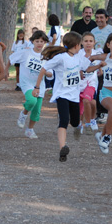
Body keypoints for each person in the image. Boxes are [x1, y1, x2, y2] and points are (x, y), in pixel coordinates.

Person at [33, 32, 90, 162]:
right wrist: (37, 87)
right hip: (62, 94)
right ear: (76, 45)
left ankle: (78, 126)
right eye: (80, 45)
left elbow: (89, 67)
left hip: (74, 96)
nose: (81, 47)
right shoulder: (61, 58)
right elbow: (43, 69)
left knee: (74, 122)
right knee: (63, 121)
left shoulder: (79, 57)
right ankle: (62, 148)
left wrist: (100, 65)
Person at [8, 30, 50, 139]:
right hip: (27, 83)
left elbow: (50, 74)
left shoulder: (46, 56)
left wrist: (46, 72)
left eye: (42, 41)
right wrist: (5, 71)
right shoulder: (26, 52)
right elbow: (11, 58)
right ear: (32, 41)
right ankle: (24, 113)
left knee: (37, 111)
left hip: (40, 85)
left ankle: (30, 129)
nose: (39, 43)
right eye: (37, 41)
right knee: (32, 100)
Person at [75, 32, 102, 136]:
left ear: (94, 42)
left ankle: (89, 123)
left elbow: (100, 66)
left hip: (91, 83)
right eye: (86, 41)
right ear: (82, 42)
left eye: (90, 41)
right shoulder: (78, 54)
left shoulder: (97, 54)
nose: (88, 43)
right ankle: (80, 124)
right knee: (80, 106)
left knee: (88, 101)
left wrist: (100, 69)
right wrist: (79, 71)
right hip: (79, 84)